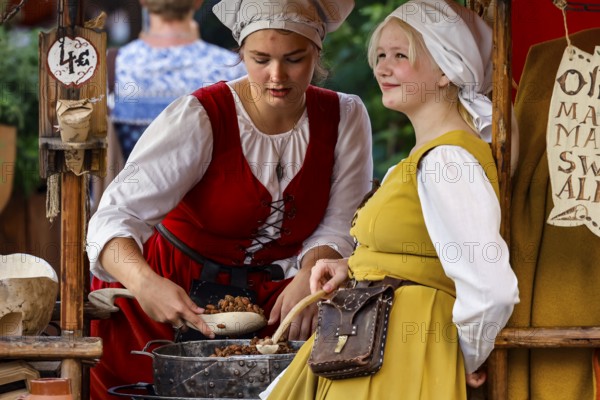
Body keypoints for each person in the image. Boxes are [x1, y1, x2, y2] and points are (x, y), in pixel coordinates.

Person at [85, 0, 372, 397]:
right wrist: (144, 282)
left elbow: (341, 221)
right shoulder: (201, 116)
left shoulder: (345, 117)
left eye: (294, 59)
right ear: (240, 53)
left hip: (272, 311)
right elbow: (115, 215)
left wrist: (309, 272)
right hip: (163, 304)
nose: (276, 75)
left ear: (317, 53)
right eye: (260, 59)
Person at [263, 1, 519, 399]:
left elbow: (491, 288)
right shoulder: (427, 157)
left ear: (446, 70)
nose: (383, 68)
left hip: (403, 357)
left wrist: (461, 357)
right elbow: (425, 257)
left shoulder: (447, 161)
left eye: (401, 56)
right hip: (377, 349)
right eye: (381, 55)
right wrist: (352, 266)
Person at [109, 0, 247, 160]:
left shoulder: (112, 66)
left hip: (131, 182)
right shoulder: (233, 69)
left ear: (143, 2)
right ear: (197, 2)